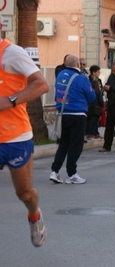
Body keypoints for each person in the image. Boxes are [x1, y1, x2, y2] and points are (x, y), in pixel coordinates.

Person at [0, 25, 49, 247]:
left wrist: (10, 101)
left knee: (25, 193)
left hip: (15, 137)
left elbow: (42, 84)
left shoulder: (12, 53)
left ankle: (34, 215)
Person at [49, 54, 96, 184]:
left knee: (63, 144)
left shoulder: (60, 75)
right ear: (78, 65)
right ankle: (71, 174)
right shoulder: (82, 78)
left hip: (62, 114)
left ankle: (55, 171)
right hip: (78, 115)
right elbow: (91, 96)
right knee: (76, 145)